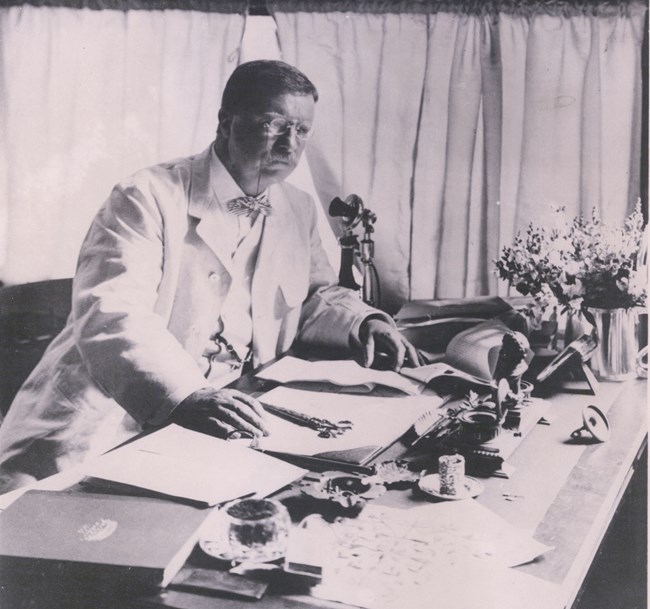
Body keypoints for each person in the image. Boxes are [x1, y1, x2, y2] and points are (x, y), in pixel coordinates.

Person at [0, 60, 420, 493]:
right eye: (273, 124)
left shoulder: (297, 208)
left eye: (301, 131)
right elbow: (113, 313)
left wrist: (362, 321)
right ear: (226, 122)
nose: (289, 145)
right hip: (106, 418)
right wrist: (184, 395)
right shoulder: (146, 195)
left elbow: (312, 295)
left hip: (218, 418)